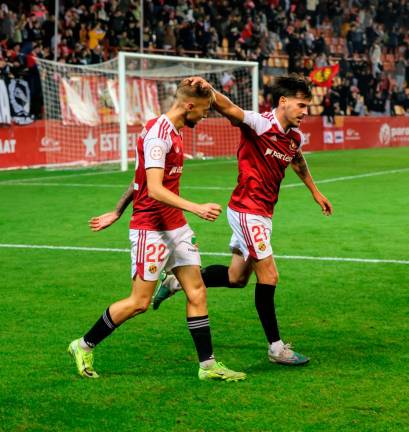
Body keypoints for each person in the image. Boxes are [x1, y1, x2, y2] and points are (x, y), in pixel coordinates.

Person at [68, 79, 247, 382]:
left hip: (175, 226)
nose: (205, 116)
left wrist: (116, 210)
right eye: (204, 110)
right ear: (189, 105)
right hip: (151, 229)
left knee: (196, 291)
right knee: (139, 302)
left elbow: (137, 180)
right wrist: (196, 207)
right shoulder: (157, 136)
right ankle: (82, 345)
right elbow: (151, 189)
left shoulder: (174, 130)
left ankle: (208, 366)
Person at [153, 74, 333, 366]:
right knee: (270, 276)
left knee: (236, 278)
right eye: (301, 105)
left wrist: (315, 192)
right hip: (247, 211)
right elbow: (229, 109)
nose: (305, 112)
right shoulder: (260, 123)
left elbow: (297, 160)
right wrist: (209, 90)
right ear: (283, 102)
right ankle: (276, 348)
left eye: (307, 106)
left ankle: (175, 281)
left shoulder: (293, 137)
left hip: (262, 213)